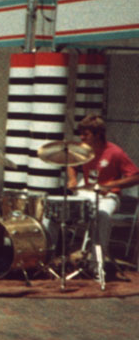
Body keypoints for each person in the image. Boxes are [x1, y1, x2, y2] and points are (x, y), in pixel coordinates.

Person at [48, 114, 139, 266]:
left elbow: (136, 177)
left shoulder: (115, 152)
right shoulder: (81, 150)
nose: (82, 138)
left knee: (102, 216)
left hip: (108, 196)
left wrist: (111, 184)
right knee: (52, 213)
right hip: (86, 192)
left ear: (98, 134)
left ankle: (96, 263)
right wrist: (72, 178)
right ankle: (47, 259)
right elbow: (72, 164)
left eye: (86, 134)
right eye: (80, 134)